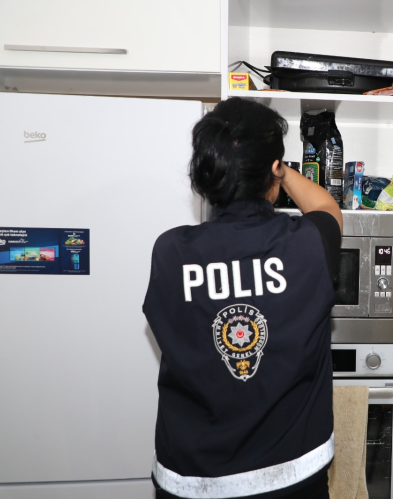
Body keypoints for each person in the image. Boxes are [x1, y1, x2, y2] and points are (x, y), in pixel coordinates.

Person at [143, 98, 342, 499]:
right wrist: (281, 170)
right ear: (273, 171)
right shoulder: (307, 244)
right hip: (292, 478)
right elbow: (325, 206)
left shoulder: (170, 252)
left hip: (192, 480)